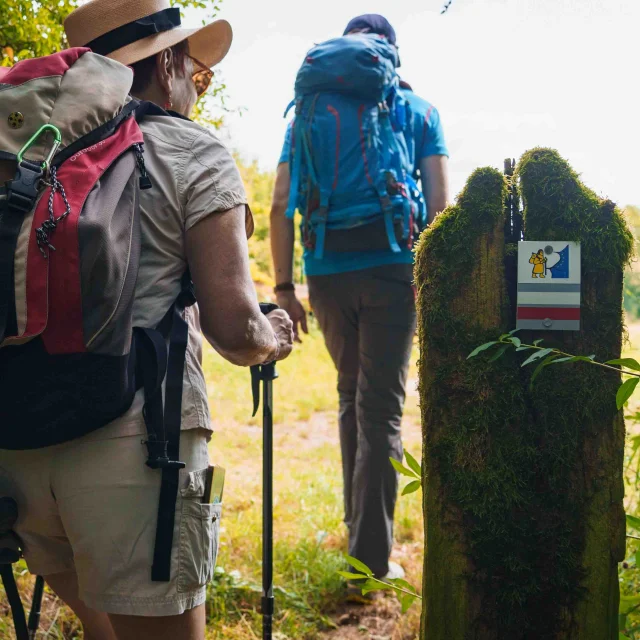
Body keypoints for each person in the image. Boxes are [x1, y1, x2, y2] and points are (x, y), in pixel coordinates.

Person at [0, 0, 293, 638]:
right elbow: (234, 327)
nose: (197, 85)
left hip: (16, 436)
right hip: (137, 447)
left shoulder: (23, 153)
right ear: (166, 63)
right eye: (196, 68)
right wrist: (272, 337)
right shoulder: (193, 151)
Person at [270, 14, 449, 584]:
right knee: (381, 412)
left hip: (326, 273)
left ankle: (358, 535)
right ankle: (370, 563)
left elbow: (279, 204)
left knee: (352, 399)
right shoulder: (418, 111)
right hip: (394, 268)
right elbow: (442, 211)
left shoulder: (306, 114)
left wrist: (283, 288)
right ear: (391, 55)